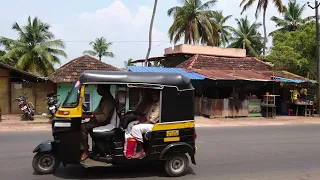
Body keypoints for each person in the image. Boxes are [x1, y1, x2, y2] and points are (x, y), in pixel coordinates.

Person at [80, 84, 116, 161]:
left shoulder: (108, 101)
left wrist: (90, 116)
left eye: (98, 88)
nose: (97, 90)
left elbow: (103, 117)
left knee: (82, 127)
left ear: (104, 89)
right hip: (99, 121)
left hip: (103, 122)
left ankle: (85, 150)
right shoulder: (104, 98)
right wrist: (88, 115)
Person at [129, 89, 160, 159]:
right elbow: (145, 115)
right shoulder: (152, 103)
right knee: (130, 125)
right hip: (147, 122)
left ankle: (141, 151)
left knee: (136, 128)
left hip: (154, 126)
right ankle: (134, 147)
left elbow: (152, 121)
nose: (153, 95)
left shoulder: (159, 105)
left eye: (155, 94)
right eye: (152, 94)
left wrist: (141, 123)